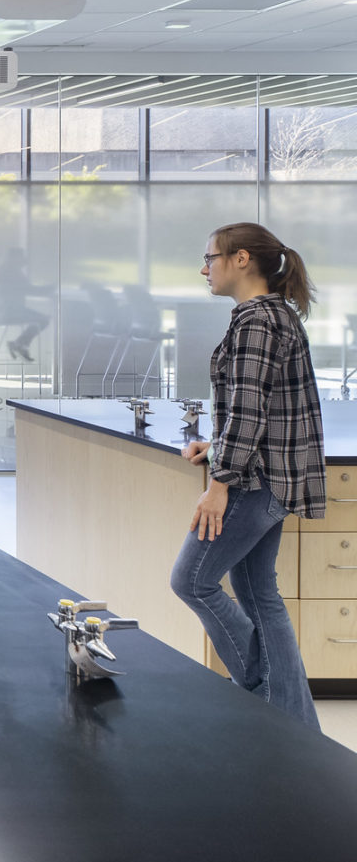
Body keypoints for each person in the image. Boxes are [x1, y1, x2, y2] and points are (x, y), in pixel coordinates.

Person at [170, 222, 324, 729]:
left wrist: (220, 483)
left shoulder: (256, 320)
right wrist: (216, 446)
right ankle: (296, 726)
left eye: (209, 257)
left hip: (254, 483)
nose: (204, 268)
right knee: (259, 593)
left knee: (192, 581)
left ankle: (264, 695)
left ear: (240, 260)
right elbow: (263, 409)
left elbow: (250, 411)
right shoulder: (274, 314)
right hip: (275, 478)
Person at [0, 246, 51, 361]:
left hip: (7, 309)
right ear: (15, 258)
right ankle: (19, 344)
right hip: (13, 311)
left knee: (42, 319)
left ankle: (19, 344)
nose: (24, 260)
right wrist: (50, 288)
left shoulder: (6, 269)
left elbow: (26, 288)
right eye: (21, 257)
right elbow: (30, 289)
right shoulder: (13, 272)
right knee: (44, 320)